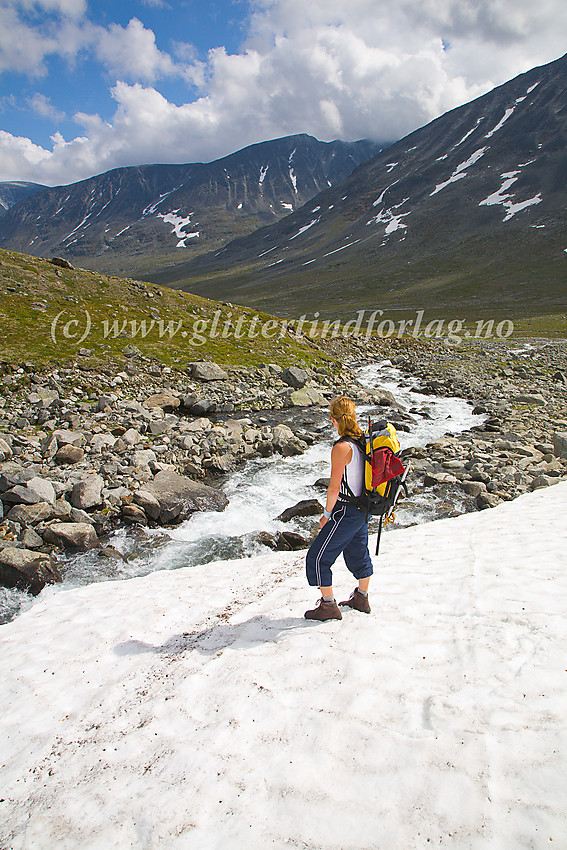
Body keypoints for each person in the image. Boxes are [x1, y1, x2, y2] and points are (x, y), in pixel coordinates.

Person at [304, 396, 373, 621]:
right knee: (358, 552)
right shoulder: (365, 440)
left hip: (346, 510)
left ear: (333, 420)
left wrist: (326, 515)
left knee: (317, 557)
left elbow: (334, 488)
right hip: (365, 507)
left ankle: (328, 606)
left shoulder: (342, 447)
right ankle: (361, 598)